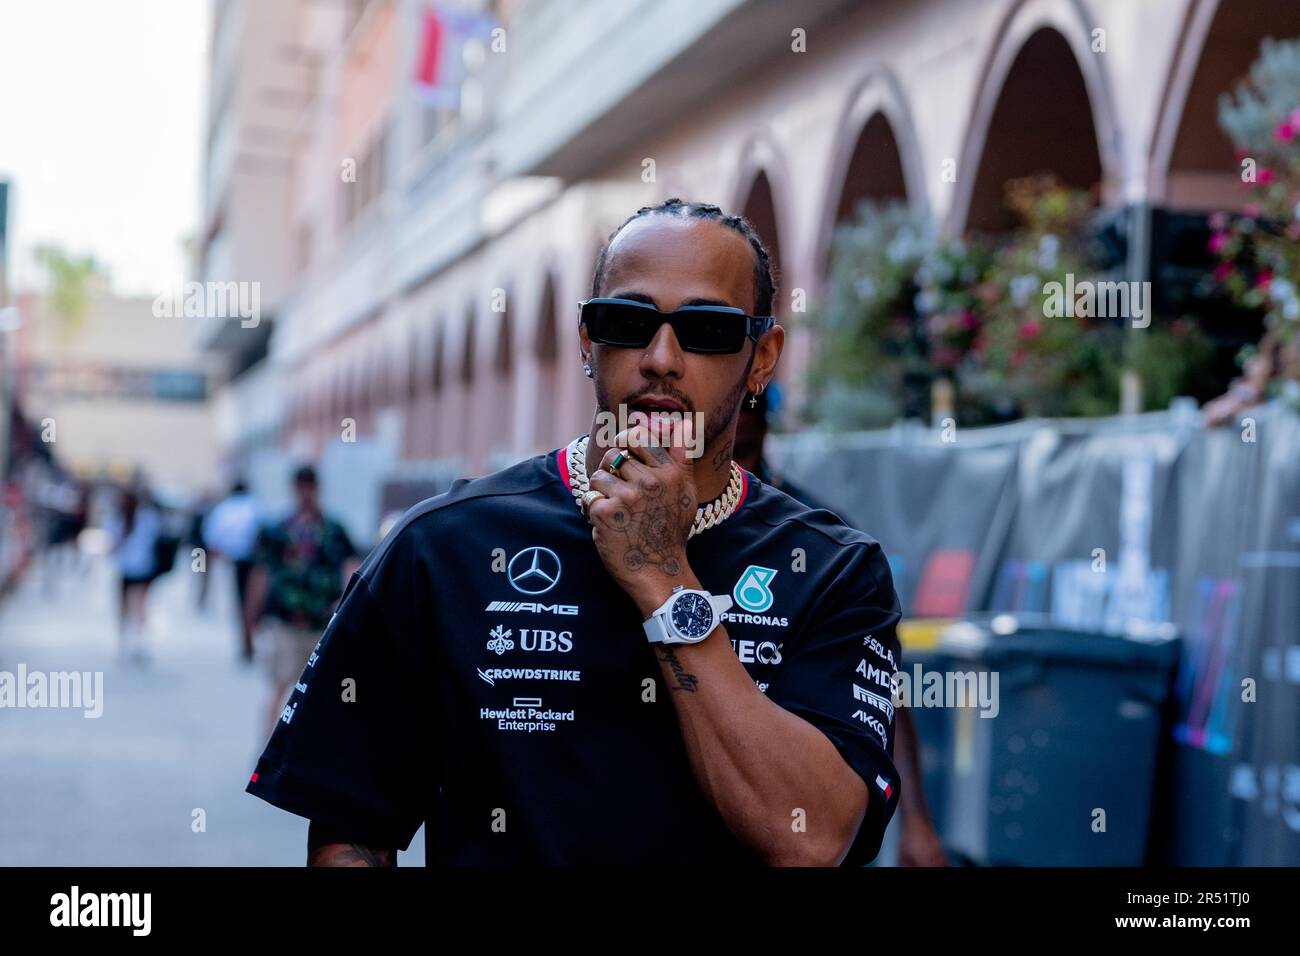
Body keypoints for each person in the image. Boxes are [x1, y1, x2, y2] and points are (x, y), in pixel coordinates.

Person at [246, 198, 904, 867]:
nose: (661, 358)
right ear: (589, 343)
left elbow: (812, 838)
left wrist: (664, 580)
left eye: (705, 329)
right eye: (627, 322)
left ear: (762, 358)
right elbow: (352, 831)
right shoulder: (442, 548)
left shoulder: (831, 569)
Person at [735, 387, 949, 867]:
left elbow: (885, 688)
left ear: (766, 434)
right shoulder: (645, 523)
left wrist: (917, 821)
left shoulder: (823, 542)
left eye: (744, 450)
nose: (737, 468)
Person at [243, 465, 360, 735]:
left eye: (311, 486)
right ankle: (269, 753)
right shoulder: (277, 530)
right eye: (302, 486)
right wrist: (249, 619)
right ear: (294, 489)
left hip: (321, 623)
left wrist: (345, 606)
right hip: (285, 621)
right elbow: (260, 575)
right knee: (279, 685)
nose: (307, 492)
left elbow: (352, 568)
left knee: (317, 692)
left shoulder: (333, 529)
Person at [203, 480, 262, 661]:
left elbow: (212, 537)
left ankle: (246, 638)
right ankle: (249, 637)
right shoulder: (256, 506)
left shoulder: (223, 509)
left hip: (238, 560)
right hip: (255, 560)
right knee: (253, 601)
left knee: (241, 602)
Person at [106, 483, 162, 661]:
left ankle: (125, 643)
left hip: (127, 568)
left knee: (125, 608)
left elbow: (111, 545)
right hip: (143, 567)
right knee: (140, 608)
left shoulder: (117, 519)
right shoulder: (147, 518)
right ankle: (138, 644)